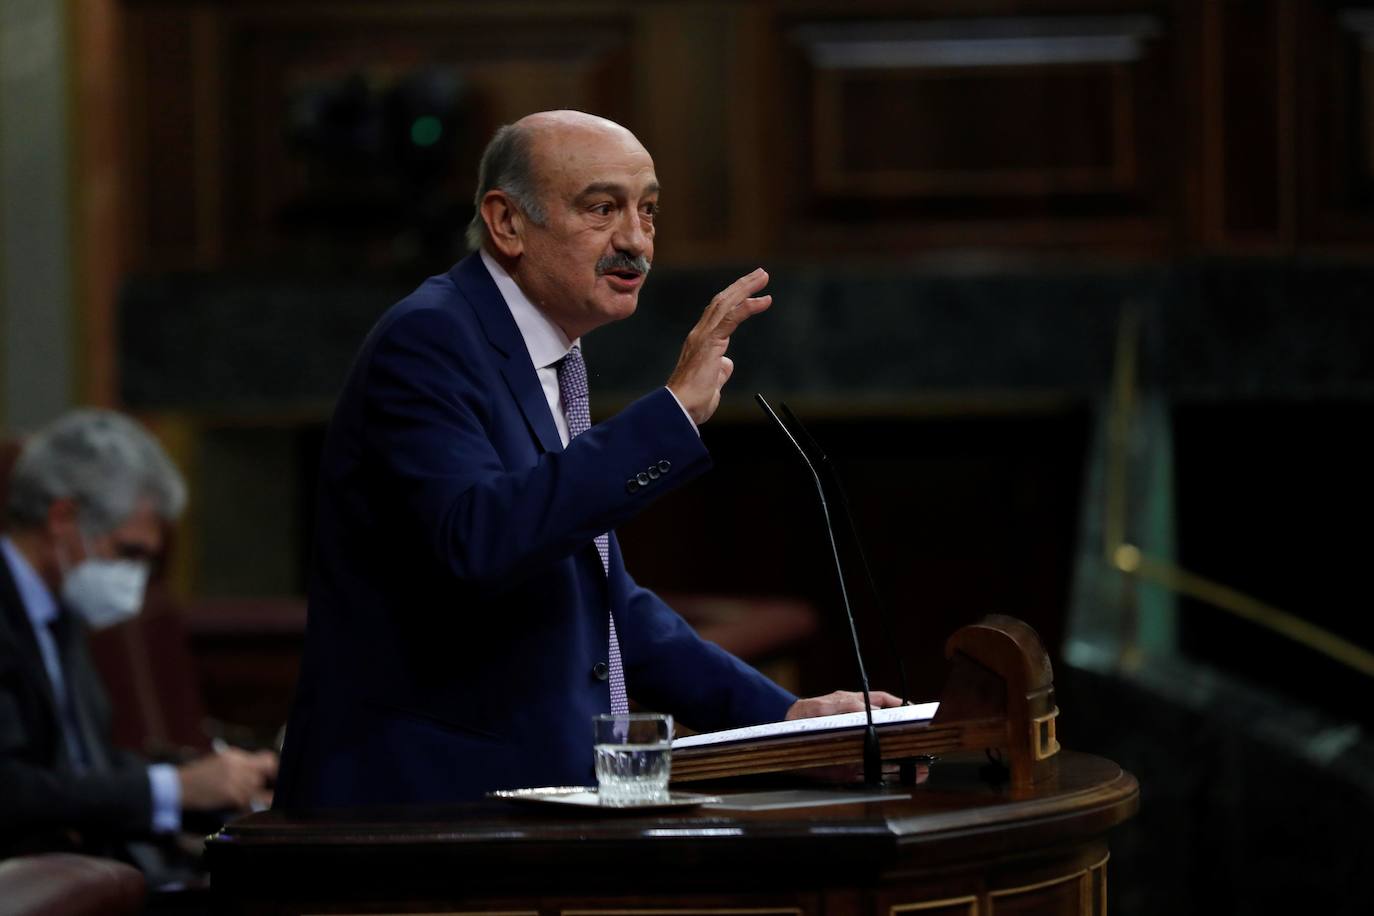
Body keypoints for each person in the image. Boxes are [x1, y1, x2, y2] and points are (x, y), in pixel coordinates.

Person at [274, 110, 899, 807]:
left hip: (515, 810)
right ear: (507, 222)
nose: (635, 240)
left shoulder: (542, 354)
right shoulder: (430, 340)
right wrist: (666, 418)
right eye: (602, 209)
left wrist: (785, 722)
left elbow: (605, 607)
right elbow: (475, 541)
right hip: (414, 817)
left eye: (649, 211)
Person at [0, 409, 277, 877]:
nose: (136, 578)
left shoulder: (59, 616)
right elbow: (10, 790)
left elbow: (90, 772)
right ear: (63, 518)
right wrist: (171, 789)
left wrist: (221, 791)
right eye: (128, 552)